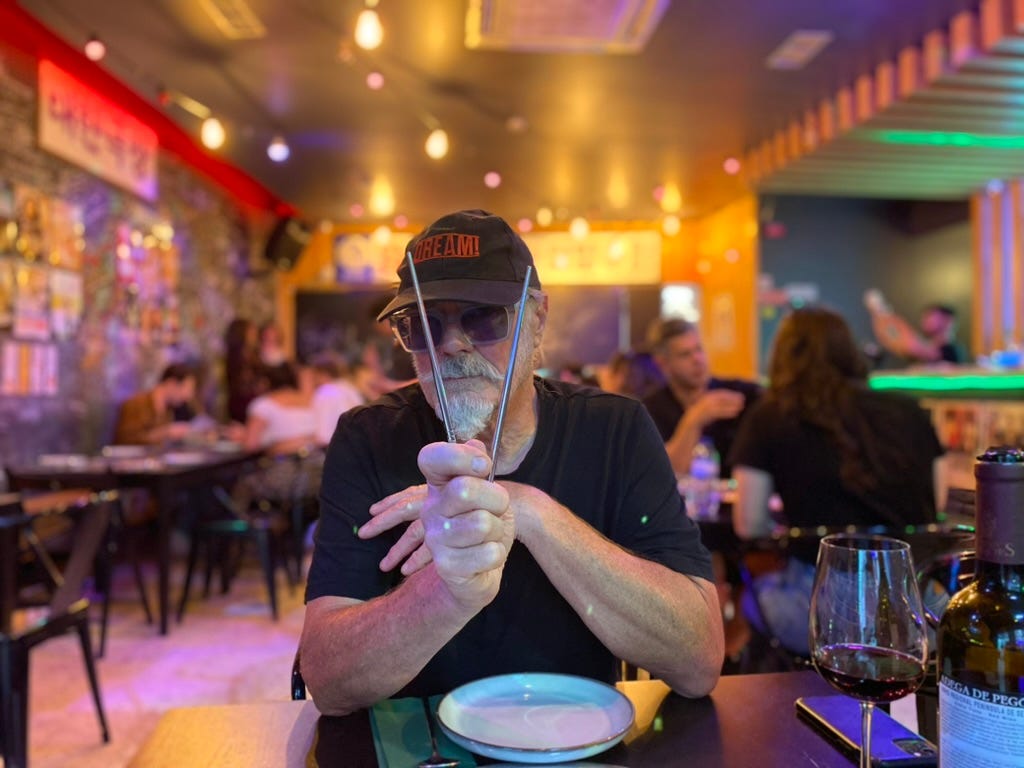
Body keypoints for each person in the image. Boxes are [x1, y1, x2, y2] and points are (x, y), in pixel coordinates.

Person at [300, 209, 723, 715]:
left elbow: (699, 661)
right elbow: (326, 680)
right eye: (423, 326)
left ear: (537, 317)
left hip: (575, 741)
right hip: (421, 747)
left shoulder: (614, 429)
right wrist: (446, 591)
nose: (451, 344)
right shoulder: (368, 436)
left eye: (482, 317)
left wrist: (529, 513)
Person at [728, 306, 946, 655]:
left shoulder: (772, 415)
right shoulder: (909, 410)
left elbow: (749, 523)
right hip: (920, 608)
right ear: (849, 350)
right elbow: (938, 504)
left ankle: (774, 698)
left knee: (753, 599)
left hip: (823, 611)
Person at [642, 318, 761, 478]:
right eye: (685, 354)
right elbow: (664, 475)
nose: (697, 360)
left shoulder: (739, 393)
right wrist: (694, 420)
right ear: (663, 363)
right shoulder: (651, 409)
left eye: (699, 349)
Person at [865, 290, 964, 365]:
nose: (925, 320)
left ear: (947, 320)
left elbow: (910, 345)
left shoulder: (952, 352)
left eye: (931, 316)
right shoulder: (925, 346)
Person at [113, 363, 199, 445]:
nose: (188, 396)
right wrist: (165, 432)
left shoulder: (168, 411)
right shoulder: (136, 404)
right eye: (187, 389)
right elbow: (124, 441)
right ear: (171, 384)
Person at [308, 352, 366, 447]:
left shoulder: (324, 392)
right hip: (359, 447)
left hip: (335, 450)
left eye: (314, 375)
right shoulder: (351, 389)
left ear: (322, 373)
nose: (313, 380)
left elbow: (323, 437)